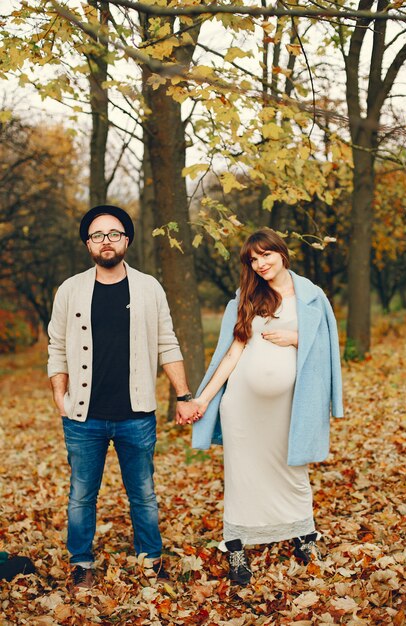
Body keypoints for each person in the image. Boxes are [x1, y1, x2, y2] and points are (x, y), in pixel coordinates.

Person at [47, 205, 198, 591]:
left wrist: (183, 395)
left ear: (126, 240)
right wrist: (59, 396)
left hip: (136, 414)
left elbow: (168, 343)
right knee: (82, 495)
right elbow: (57, 347)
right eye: (97, 235)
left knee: (143, 494)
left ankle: (151, 559)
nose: (106, 241)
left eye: (114, 234)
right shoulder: (69, 289)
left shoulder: (149, 288)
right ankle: (81, 562)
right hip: (83, 417)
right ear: (88, 244)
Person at [188, 228, 344, 585]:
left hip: (290, 405)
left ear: (281, 252)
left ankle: (304, 538)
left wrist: (296, 337)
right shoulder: (247, 297)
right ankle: (237, 547)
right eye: (253, 260)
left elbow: (328, 344)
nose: (260, 264)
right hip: (241, 406)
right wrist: (204, 398)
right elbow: (232, 353)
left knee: (293, 470)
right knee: (242, 477)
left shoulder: (311, 296)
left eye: (265, 255)